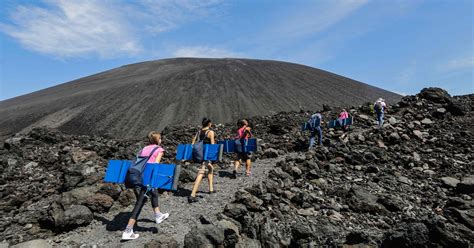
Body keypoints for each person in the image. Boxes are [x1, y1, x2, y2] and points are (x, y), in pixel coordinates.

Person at [122, 131, 169, 240]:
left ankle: (158, 215)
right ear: (157, 140)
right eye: (160, 138)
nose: (161, 140)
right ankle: (128, 230)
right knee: (140, 202)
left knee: (154, 191)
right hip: (148, 178)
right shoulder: (159, 149)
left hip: (139, 176)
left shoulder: (144, 149)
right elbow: (155, 166)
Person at [188, 118, 216, 203]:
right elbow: (212, 145)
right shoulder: (210, 132)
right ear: (209, 124)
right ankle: (192, 195)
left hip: (199, 153)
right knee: (202, 172)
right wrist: (213, 157)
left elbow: (193, 143)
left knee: (210, 168)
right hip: (206, 155)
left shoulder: (198, 131)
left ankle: (211, 189)